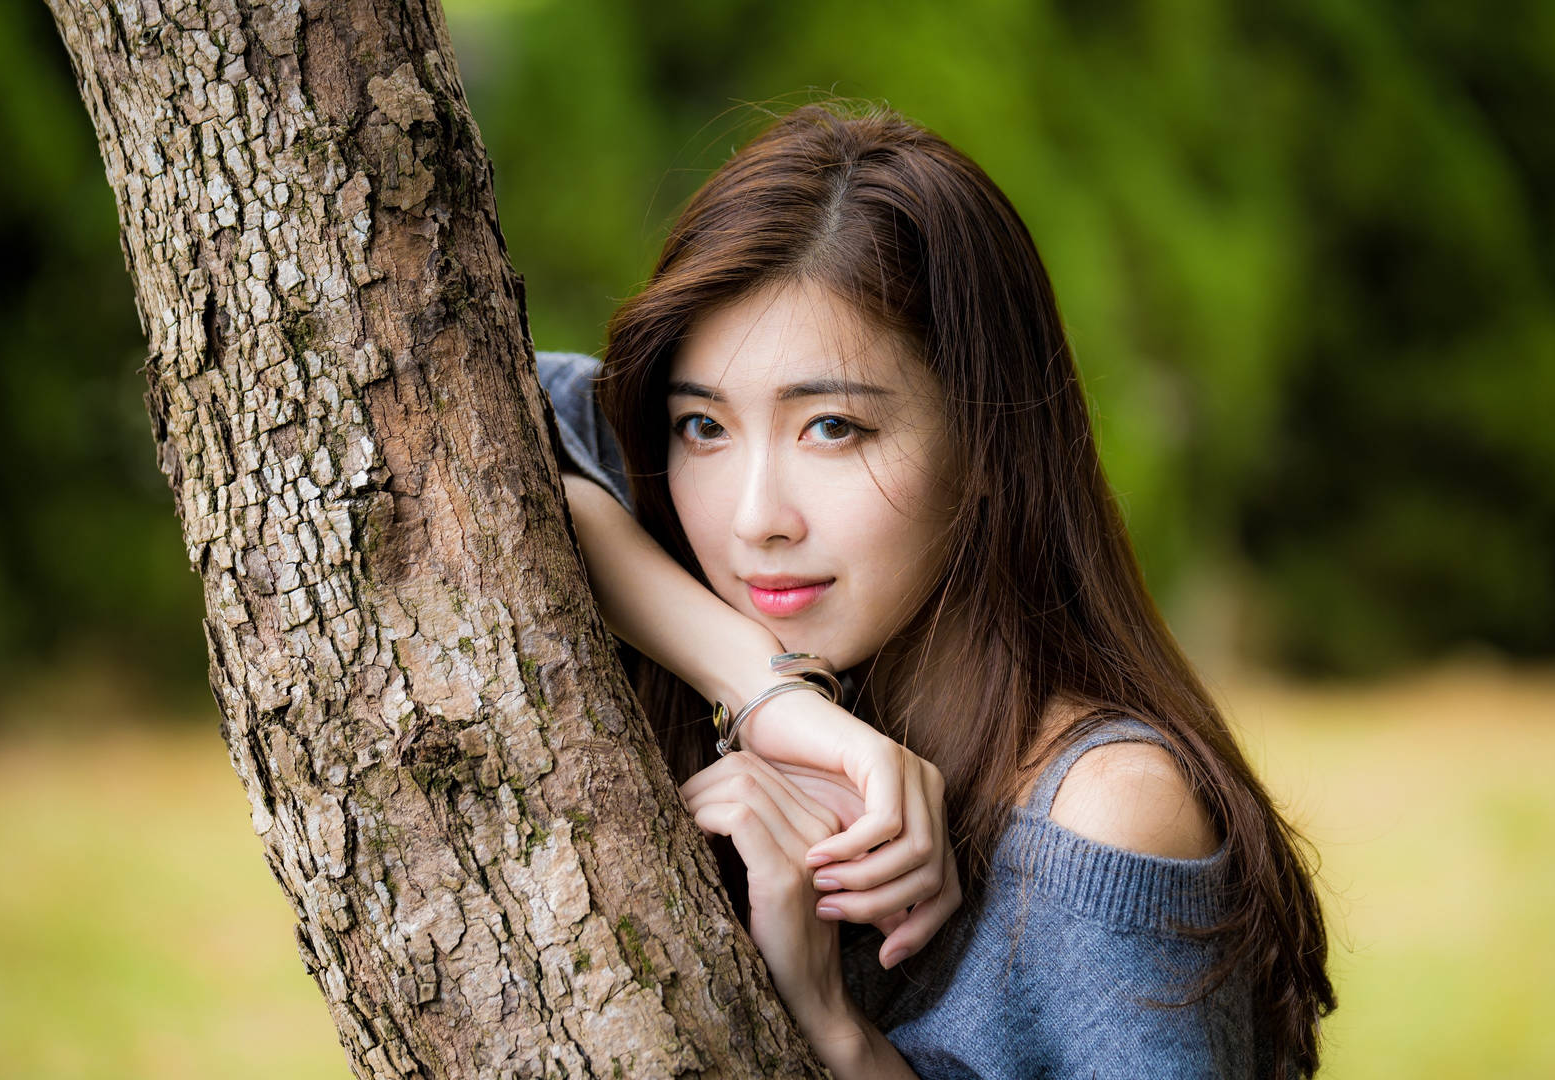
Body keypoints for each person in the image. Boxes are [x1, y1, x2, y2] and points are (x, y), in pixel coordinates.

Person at [535, 99, 1335, 1079]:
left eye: (832, 427)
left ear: (987, 442)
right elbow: (461, 432)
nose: (753, 518)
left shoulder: (1104, 816)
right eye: (704, 426)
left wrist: (835, 1036)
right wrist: (770, 691)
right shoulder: (749, 619)